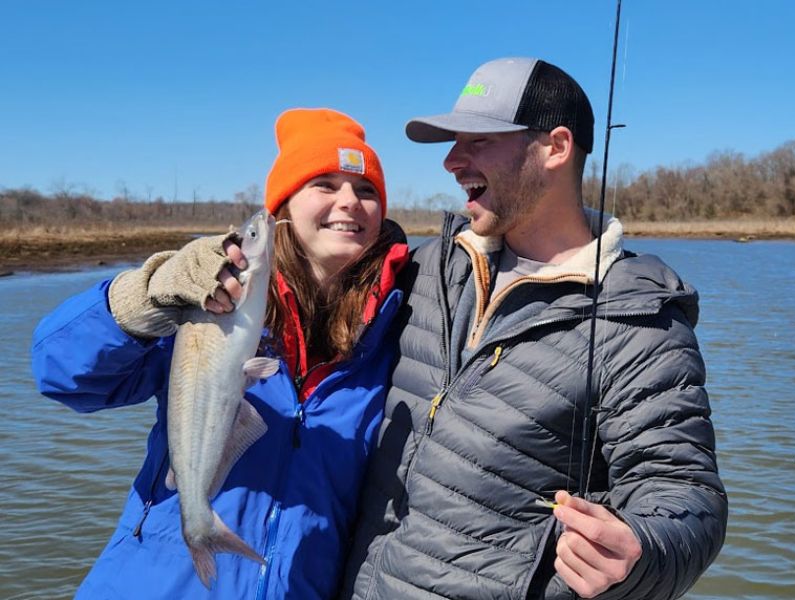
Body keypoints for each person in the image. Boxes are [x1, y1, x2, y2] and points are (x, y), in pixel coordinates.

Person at [340, 57, 728, 600]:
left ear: (555, 148)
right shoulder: (427, 269)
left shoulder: (640, 321)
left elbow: (684, 495)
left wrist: (641, 551)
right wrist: (207, 273)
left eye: (478, 140)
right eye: (454, 141)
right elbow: (302, 282)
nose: (453, 160)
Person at [31, 108, 409, 599]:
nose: (349, 203)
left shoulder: (401, 333)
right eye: (324, 184)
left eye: (366, 191)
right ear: (283, 207)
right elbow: (63, 376)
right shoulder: (210, 293)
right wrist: (146, 296)